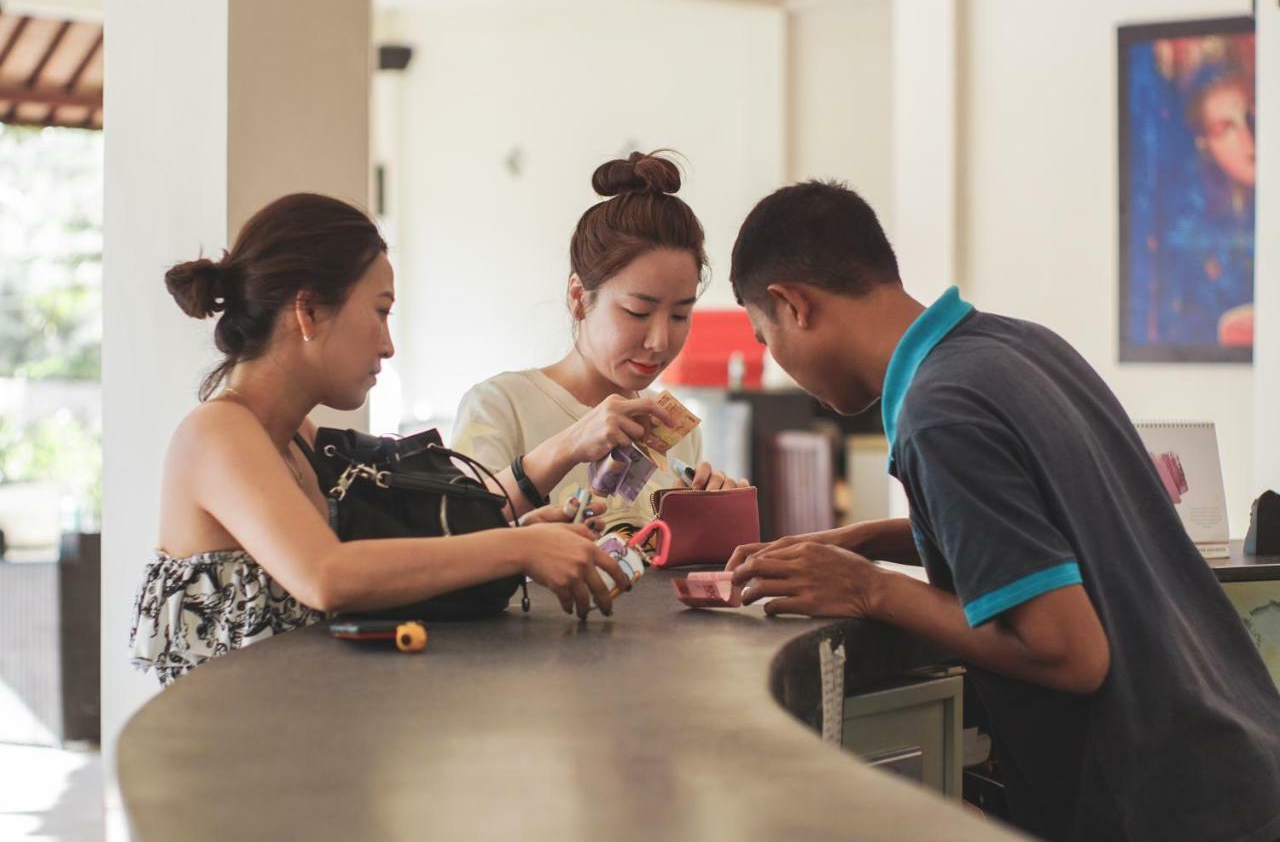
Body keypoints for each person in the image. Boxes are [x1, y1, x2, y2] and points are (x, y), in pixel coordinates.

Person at [725, 180, 1280, 841]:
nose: (776, 361)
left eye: (764, 337)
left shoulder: (938, 413)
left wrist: (868, 589)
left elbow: (1070, 650)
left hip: (1164, 806)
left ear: (792, 305)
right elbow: (1057, 526)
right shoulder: (1020, 348)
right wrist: (870, 538)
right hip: (1242, 757)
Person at [130, 193, 630, 686]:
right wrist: (518, 547)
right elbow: (329, 575)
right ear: (307, 311)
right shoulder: (217, 433)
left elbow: (399, 535)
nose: (388, 345)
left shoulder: (295, 438)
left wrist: (519, 529)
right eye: (380, 311)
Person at [452, 152, 747, 537]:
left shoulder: (675, 429)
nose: (659, 341)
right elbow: (455, 541)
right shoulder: (499, 406)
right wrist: (569, 445)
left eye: (679, 316)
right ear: (579, 297)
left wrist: (716, 525)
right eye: (637, 312)